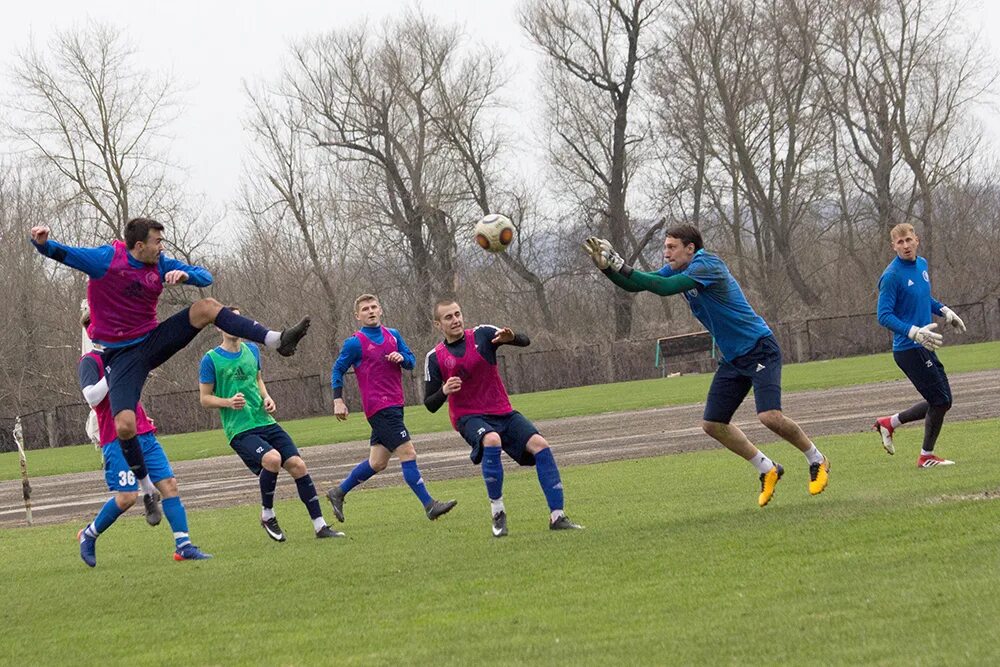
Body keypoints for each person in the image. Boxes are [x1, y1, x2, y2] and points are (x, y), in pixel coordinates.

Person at [30, 219, 310, 501]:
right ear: (139, 245)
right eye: (157, 242)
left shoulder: (160, 263)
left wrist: (186, 277)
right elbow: (66, 254)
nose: (162, 247)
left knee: (207, 307)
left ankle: (277, 339)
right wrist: (42, 243)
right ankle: (147, 488)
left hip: (153, 341)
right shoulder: (107, 259)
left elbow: (206, 276)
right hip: (123, 355)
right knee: (125, 425)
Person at [584, 226, 830, 507]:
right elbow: (640, 284)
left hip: (759, 347)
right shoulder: (681, 268)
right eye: (665, 247)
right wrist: (607, 268)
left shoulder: (707, 265)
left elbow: (664, 288)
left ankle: (817, 459)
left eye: (672, 247)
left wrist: (620, 264)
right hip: (733, 357)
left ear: (691, 248)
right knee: (713, 424)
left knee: (769, 417)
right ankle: (767, 468)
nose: (666, 254)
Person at [423, 299, 582, 537]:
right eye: (448, 317)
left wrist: (513, 338)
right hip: (468, 417)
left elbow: (525, 340)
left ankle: (557, 516)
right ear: (438, 324)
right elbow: (429, 404)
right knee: (492, 440)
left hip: (502, 410)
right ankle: (498, 513)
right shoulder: (435, 357)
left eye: (457, 314)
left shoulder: (482, 334)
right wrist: (443, 391)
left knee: (541, 446)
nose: (455, 320)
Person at [77, 315, 211, 566]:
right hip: (115, 437)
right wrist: (116, 372)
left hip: (143, 432)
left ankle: (183, 546)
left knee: (169, 484)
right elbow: (92, 398)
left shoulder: (126, 352)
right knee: (127, 497)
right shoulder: (90, 361)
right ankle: (88, 534)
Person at [199, 308, 343, 540]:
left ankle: (320, 526)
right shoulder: (210, 359)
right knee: (272, 459)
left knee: (298, 465)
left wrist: (267, 397)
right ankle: (267, 514)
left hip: (265, 420)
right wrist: (227, 402)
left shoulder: (253, 350)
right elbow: (204, 399)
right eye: (229, 320)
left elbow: (257, 380)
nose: (234, 324)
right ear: (218, 326)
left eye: (238, 319)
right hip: (240, 428)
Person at [327, 295, 457, 523]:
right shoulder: (355, 343)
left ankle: (338, 492)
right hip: (379, 408)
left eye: (374, 307)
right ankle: (429, 505)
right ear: (358, 316)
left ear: (381, 309)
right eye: (365, 309)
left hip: (396, 405)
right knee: (408, 453)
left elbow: (412, 361)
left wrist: (401, 358)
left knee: (378, 462)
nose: (370, 311)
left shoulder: (393, 335)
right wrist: (338, 400)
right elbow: (337, 370)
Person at [872, 223, 965, 467]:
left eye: (908, 240)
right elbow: (883, 315)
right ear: (893, 246)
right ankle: (925, 457)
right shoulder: (891, 276)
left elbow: (924, 297)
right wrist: (912, 332)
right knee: (940, 401)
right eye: (900, 242)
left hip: (925, 345)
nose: (905, 245)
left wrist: (944, 310)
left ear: (917, 240)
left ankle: (889, 423)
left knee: (943, 400)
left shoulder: (921, 265)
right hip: (908, 349)